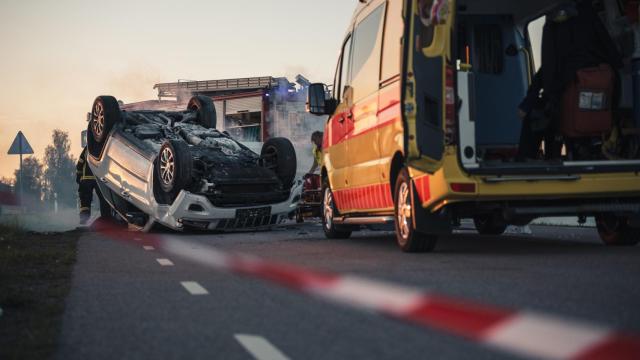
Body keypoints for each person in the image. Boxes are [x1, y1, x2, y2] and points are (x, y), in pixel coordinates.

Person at [517, 0, 623, 160]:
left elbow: (549, 69)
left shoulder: (558, 30)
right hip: (599, 112)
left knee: (538, 115)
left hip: (566, 105)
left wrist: (528, 101)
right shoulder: (595, 35)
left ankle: (529, 161)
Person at [76, 147, 105, 225]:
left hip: (86, 179)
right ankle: (106, 218)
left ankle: (84, 219)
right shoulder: (104, 147)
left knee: (85, 200)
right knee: (104, 199)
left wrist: (78, 175)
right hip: (99, 179)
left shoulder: (87, 148)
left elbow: (80, 162)